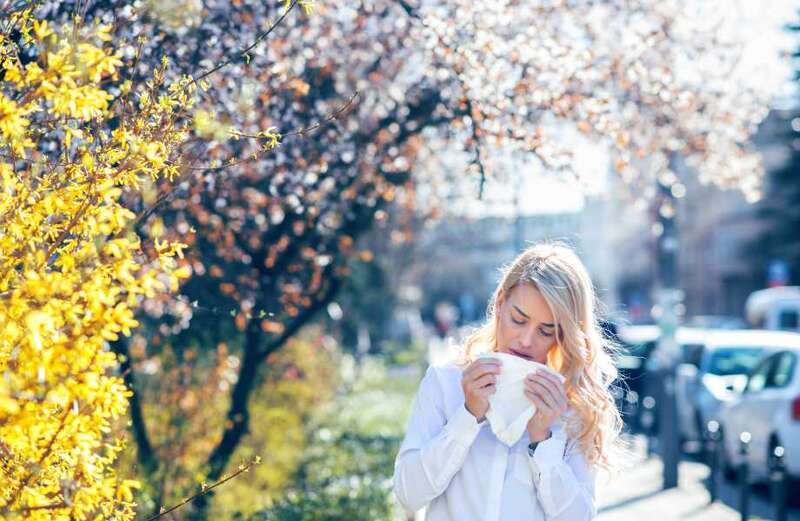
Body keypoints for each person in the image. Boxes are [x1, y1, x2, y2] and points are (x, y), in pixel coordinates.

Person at [393, 243, 623, 520]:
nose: (526, 340)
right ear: (500, 304)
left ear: (562, 336)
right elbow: (409, 494)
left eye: (546, 331)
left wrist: (542, 440)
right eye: (518, 319)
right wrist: (467, 416)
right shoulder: (445, 383)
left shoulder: (570, 408)